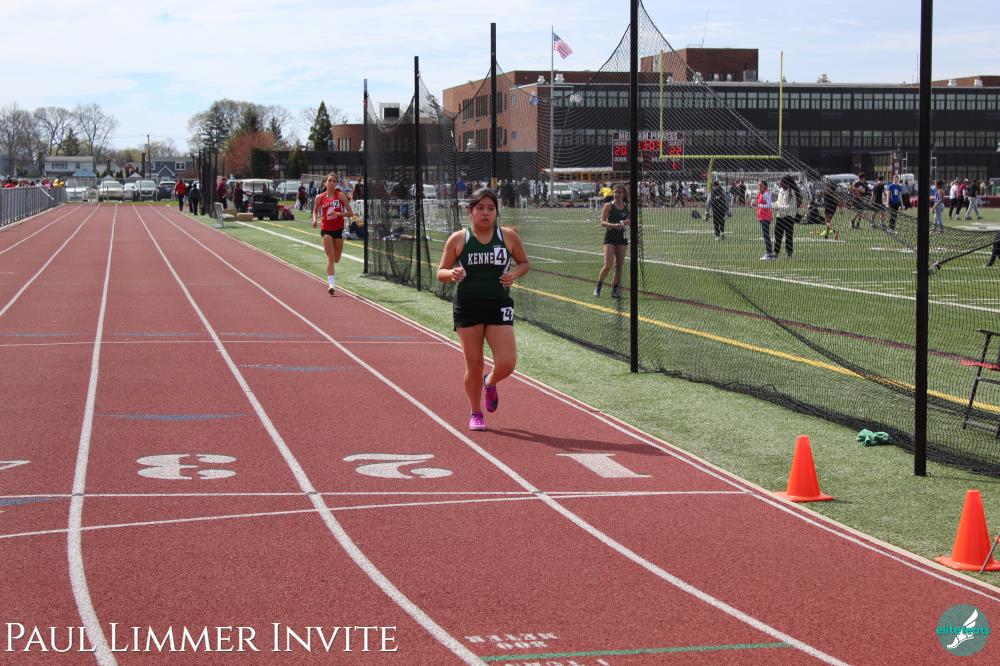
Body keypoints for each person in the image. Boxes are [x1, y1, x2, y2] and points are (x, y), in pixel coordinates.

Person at [436, 188, 529, 431]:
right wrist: (452, 273)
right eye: (480, 208)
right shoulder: (459, 239)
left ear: (497, 212)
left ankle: (491, 381)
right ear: (470, 211)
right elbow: (440, 272)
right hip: (468, 306)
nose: (485, 213)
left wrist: (514, 274)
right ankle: (476, 412)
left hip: (498, 304)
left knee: (507, 363)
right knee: (474, 365)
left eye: (490, 208)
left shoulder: (507, 236)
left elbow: (524, 263)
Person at [312, 173, 354, 296]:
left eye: (334, 181)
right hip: (326, 229)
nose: (331, 183)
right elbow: (315, 211)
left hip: (338, 229)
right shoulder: (319, 197)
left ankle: (331, 280)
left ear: (336, 183)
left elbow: (350, 213)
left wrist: (339, 214)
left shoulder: (340, 195)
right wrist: (314, 220)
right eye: (329, 180)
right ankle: (331, 285)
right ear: (325, 183)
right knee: (330, 257)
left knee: (336, 259)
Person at [594, 184, 630, 297]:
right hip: (610, 237)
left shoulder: (627, 207)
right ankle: (599, 286)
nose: (617, 194)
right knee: (607, 265)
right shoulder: (608, 205)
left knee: (618, 267)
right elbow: (602, 222)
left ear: (623, 194)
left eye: (619, 192)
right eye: (615, 192)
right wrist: (613, 225)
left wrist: (627, 222)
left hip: (622, 238)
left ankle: (615, 289)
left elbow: (631, 221)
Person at [773, 175, 800, 258]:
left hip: (789, 217)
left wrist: (779, 207)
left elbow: (790, 207)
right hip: (780, 216)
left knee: (788, 236)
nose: (780, 183)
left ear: (786, 183)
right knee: (777, 235)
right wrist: (772, 204)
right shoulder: (780, 190)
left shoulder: (792, 192)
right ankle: (776, 253)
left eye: (781, 181)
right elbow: (778, 202)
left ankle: (789, 253)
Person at [756, 179, 775, 260]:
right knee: (765, 235)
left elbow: (769, 205)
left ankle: (769, 254)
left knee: (766, 235)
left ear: (765, 186)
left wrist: (759, 205)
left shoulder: (766, 193)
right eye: (759, 185)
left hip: (766, 217)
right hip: (762, 217)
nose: (759, 187)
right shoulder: (761, 193)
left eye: (761, 185)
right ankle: (769, 253)